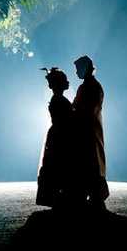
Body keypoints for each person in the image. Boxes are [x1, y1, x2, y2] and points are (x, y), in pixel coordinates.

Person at [35, 67, 79, 208]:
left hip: (58, 135)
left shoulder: (57, 99)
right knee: (60, 165)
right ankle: (59, 199)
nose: (68, 82)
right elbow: (67, 119)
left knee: (57, 166)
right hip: (61, 136)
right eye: (65, 80)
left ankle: (58, 199)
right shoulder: (59, 100)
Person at [72, 55, 109, 209]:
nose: (76, 72)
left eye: (77, 69)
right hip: (90, 131)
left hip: (88, 132)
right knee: (91, 162)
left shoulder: (90, 87)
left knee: (91, 162)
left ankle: (94, 197)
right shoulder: (91, 86)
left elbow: (85, 110)